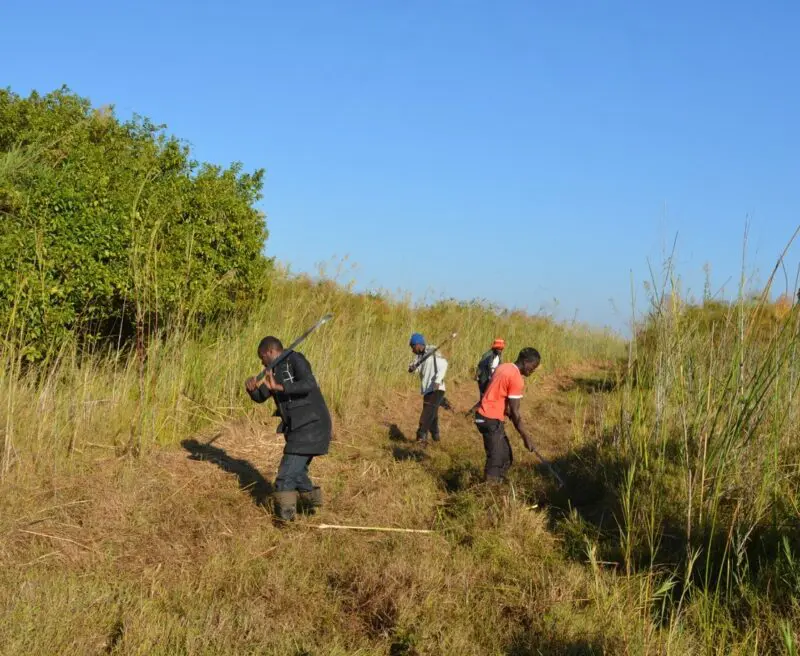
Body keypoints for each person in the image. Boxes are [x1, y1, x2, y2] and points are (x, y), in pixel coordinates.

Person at [245, 336, 332, 521]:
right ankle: (312, 507)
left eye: (262, 357)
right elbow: (262, 395)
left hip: (312, 425)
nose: (261, 362)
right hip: (297, 428)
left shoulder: (295, 359)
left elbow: (309, 384)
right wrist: (252, 390)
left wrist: (280, 387)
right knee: (297, 473)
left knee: (285, 477)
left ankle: (285, 522)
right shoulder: (273, 370)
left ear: (270, 351)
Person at [474, 347, 541, 483]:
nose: (533, 370)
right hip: (490, 418)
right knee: (496, 460)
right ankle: (488, 490)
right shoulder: (516, 378)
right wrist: (526, 438)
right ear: (526, 362)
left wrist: (507, 411)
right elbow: (515, 413)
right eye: (533, 366)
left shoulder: (504, 367)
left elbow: (497, 392)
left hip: (486, 416)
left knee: (506, 457)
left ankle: (498, 483)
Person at [408, 333, 448, 444]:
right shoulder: (419, 357)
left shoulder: (434, 352)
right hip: (427, 390)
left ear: (418, 344)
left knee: (427, 412)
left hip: (437, 388)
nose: (412, 350)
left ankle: (421, 436)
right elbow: (414, 369)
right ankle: (436, 436)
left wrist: (437, 380)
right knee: (432, 414)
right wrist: (412, 368)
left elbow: (444, 364)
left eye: (412, 346)